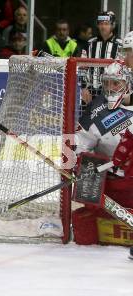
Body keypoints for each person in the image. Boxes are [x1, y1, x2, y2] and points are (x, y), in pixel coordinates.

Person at [73, 60, 133, 246]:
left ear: (128, 84)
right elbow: (77, 147)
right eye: (106, 83)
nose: (110, 88)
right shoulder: (96, 115)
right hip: (114, 186)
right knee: (85, 225)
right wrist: (81, 167)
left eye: (116, 83)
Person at [81, 11, 123, 105]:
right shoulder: (89, 43)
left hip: (112, 92)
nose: (103, 27)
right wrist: (83, 88)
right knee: (85, 118)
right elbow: (82, 68)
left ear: (112, 25)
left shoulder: (120, 45)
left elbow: (124, 70)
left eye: (106, 24)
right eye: (101, 24)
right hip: (90, 91)